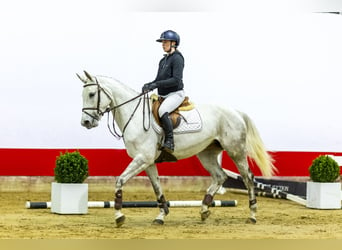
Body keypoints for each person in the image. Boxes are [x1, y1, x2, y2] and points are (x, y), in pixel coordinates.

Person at [142, 30, 185, 153]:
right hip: (163, 95)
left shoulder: (177, 58)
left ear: (174, 43)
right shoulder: (163, 60)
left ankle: (170, 141)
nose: (163, 44)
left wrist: (156, 84)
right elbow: (159, 80)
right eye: (162, 42)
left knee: (162, 110)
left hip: (175, 94)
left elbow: (176, 80)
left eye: (165, 42)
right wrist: (150, 85)